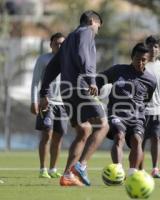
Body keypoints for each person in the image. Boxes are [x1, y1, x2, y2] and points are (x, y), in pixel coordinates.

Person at [39, 10, 109, 186]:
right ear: (92, 21)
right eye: (98, 26)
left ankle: (67, 175)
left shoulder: (69, 38)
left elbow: (52, 68)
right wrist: (91, 80)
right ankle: (81, 166)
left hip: (66, 91)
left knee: (84, 131)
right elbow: (83, 55)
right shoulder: (86, 32)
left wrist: (44, 94)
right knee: (103, 125)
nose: (98, 30)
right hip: (80, 87)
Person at [96, 43, 157, 176]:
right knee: (119, 135)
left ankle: (132, 173)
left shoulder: (151, 81)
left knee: (136, 140)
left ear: (148, 60)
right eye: (137, 59)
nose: (140, 62)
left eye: (143, 60)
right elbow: (99, 79)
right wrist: (96, 89)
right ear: (131, 57)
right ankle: (118, 170)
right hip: (117, 114)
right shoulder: (118, 70)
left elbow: (146, 100)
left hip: (137, 117)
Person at [30, 32, 66, 179]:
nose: (59, 46)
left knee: (59, 137)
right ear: (51, 44)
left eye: (62, 44)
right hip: (47, 102)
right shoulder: (43, 59)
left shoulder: (68, 60)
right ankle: (42, 169)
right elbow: (35, 81)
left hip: (63, 104)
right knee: (47, 135)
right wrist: (34, 100)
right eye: (56, 43)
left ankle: (53, 169)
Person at [141, 35, 160, 178]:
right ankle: (139, 168)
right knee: (140, 140)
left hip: (157, 110)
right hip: (141, 110)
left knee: (156, 138)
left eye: (156, 46)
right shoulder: (141, 64)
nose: (153, 49)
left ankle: (155, 169)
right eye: (150, 46)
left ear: (159, 49)